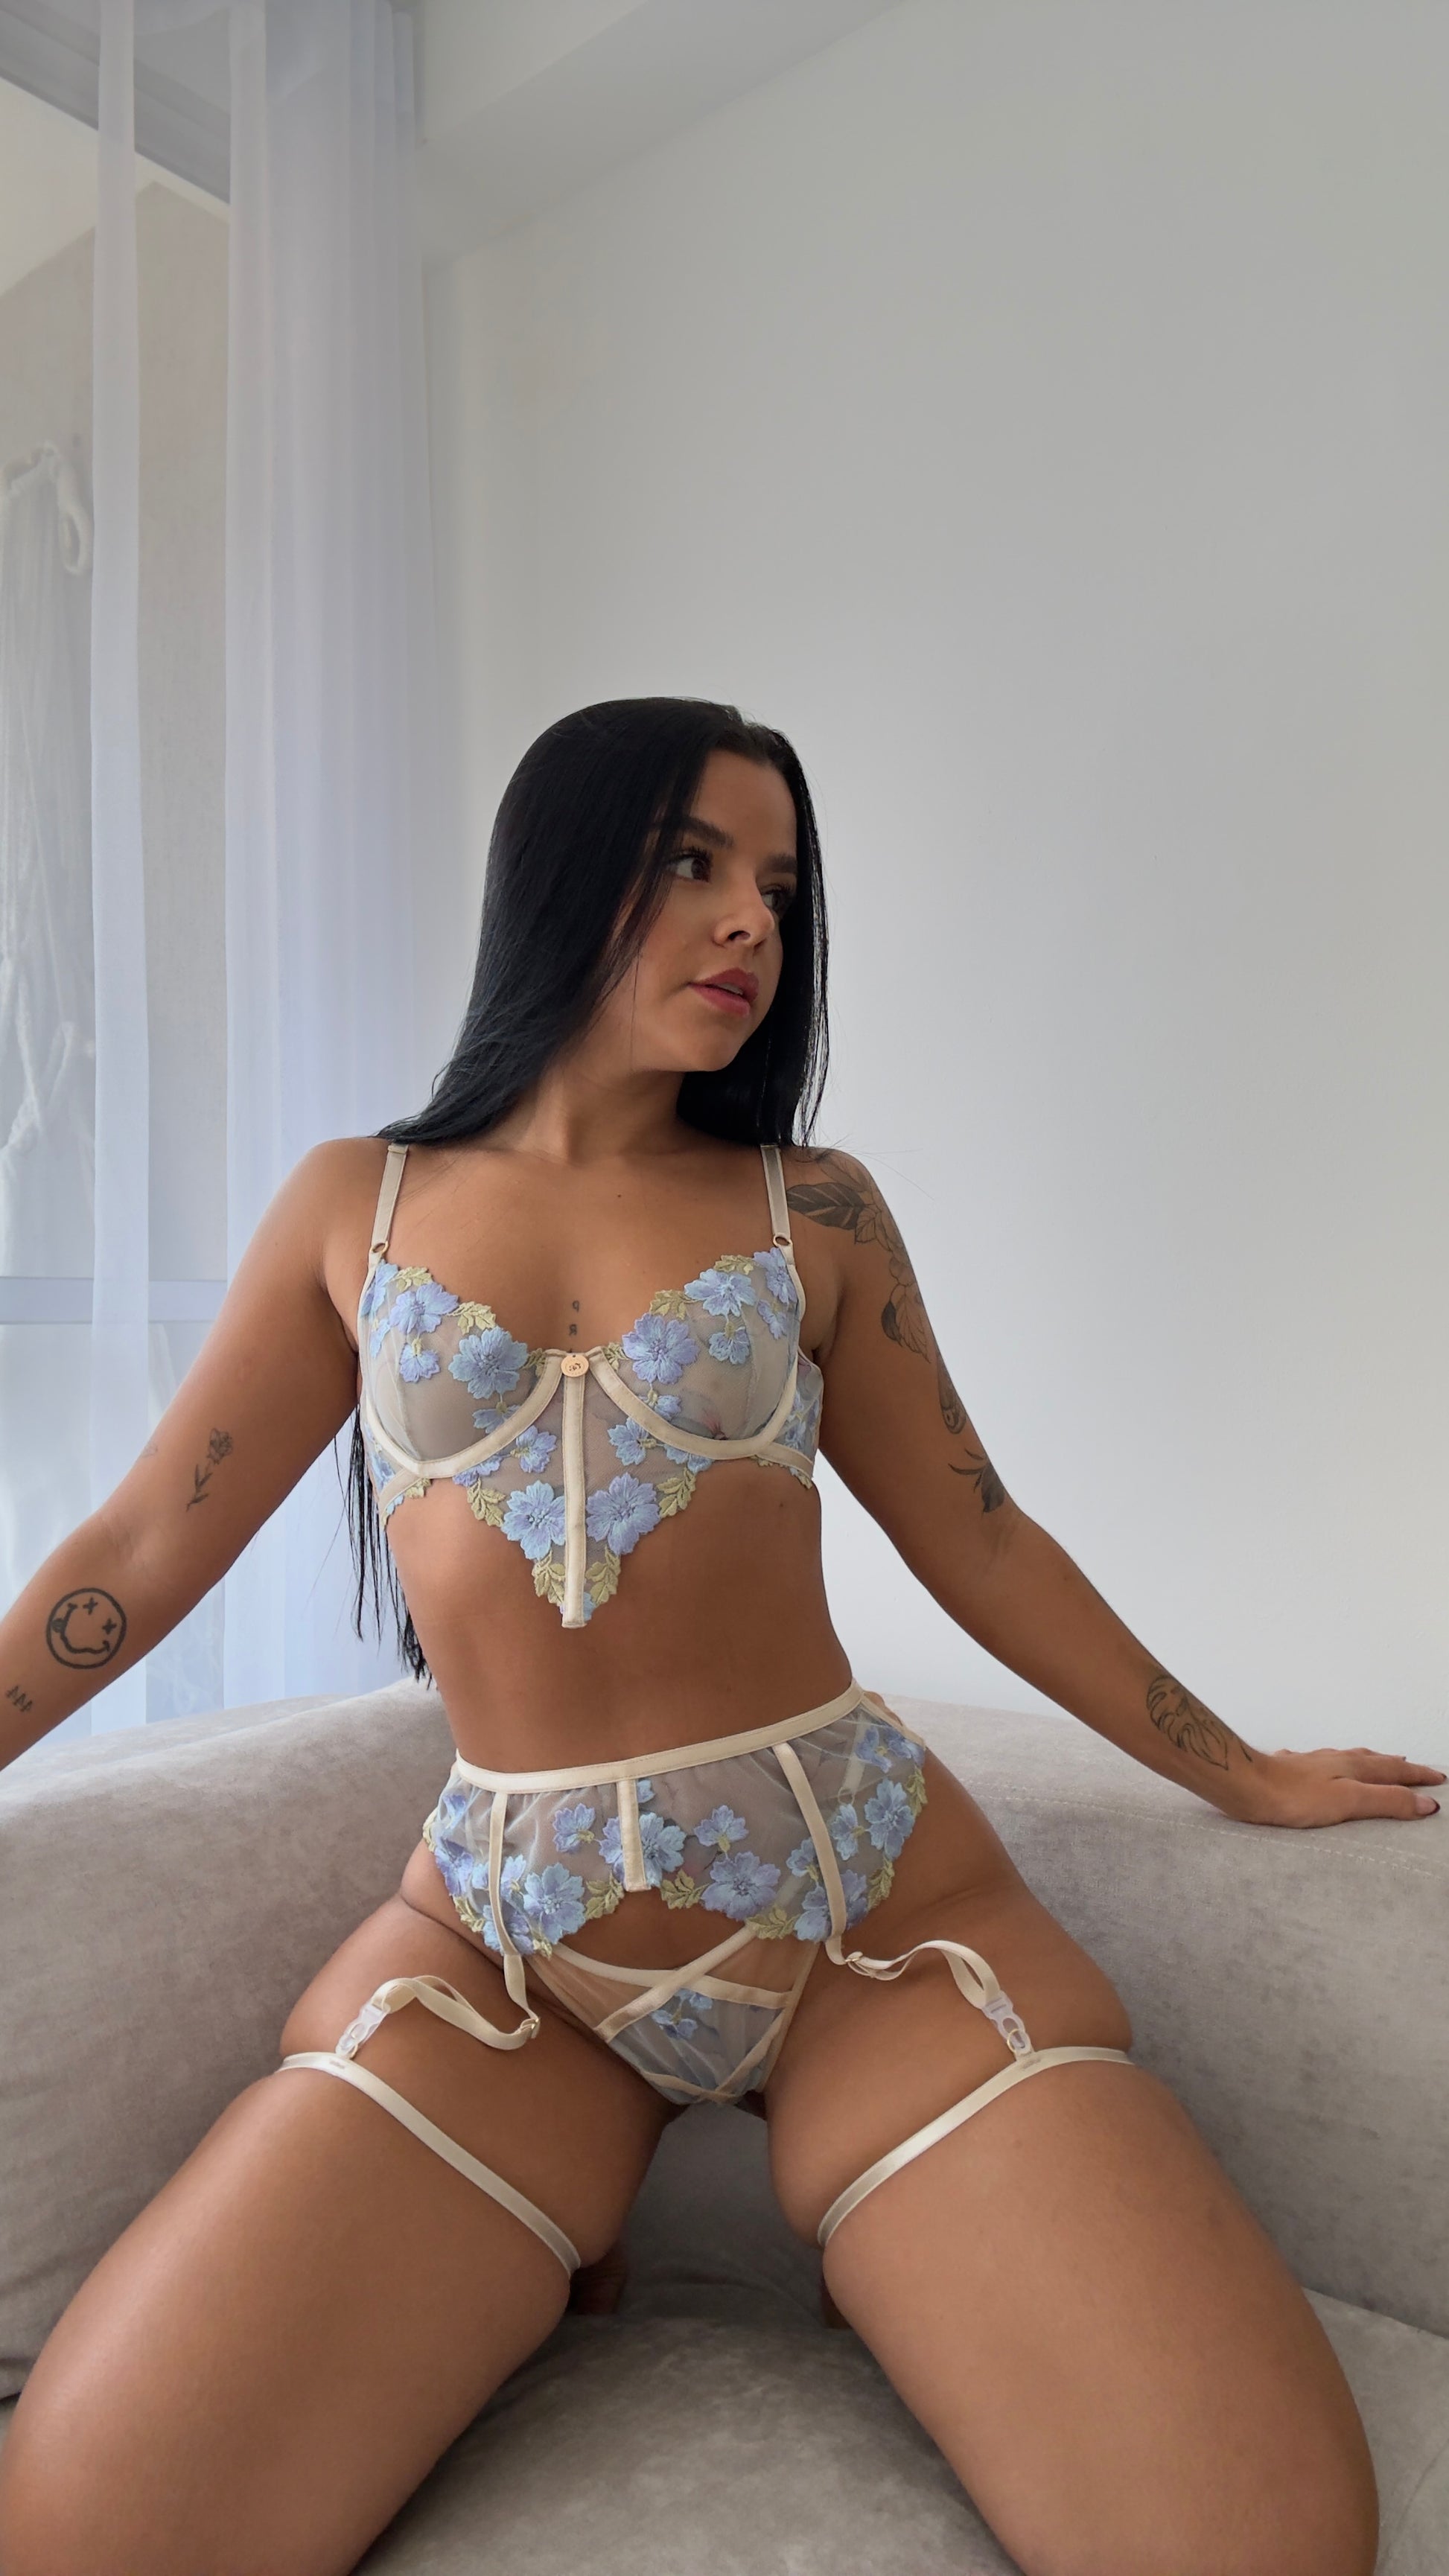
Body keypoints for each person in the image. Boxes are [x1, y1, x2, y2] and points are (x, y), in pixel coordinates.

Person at [0, 698, 1437, 2576]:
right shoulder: (358, 1205)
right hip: (503, 1958)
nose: (751, 917)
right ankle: (565, 2217)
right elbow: (139, 1542)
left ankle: (826, 2226)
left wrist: (1239, 1766)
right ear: (557, 874)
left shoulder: (813, 1209)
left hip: (864, 1921)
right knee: (92, 2525)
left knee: (1250, 2537)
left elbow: (980, 1535)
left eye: (777, 882)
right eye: (692, 860)